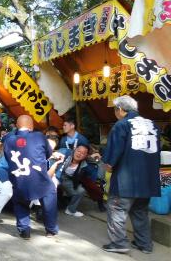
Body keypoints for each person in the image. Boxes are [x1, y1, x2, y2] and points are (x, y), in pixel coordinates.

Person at [101, 95, 161, 254]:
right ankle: (144, 244)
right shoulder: (153, 125)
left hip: (125, 181)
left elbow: (112, 156)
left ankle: (119, 243)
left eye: (115, 110)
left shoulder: (122, 125)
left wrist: (108, 165)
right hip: (147, 180)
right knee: (140, 211)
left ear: (120, 109)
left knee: (116, 210)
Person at [4, 115, 58, 239]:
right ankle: (51, 230)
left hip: (19, 180)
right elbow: (48, 154)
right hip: (39, 179)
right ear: (31, 126)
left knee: (20, 201)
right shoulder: (39, 136)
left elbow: (8, 158)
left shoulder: (9, 140)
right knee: (49, 193)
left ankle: (24, 230)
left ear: (17, 126)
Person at [56, 144, 105, 217]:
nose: (79, 154)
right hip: (54, 175)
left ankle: (70, 210)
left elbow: (99, 176)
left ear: (86, 156)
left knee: (81, 190)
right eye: (78, 151)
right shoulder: (65, 152)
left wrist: (99, 161)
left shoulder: (85, 164)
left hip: (67, 180)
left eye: (83, 153)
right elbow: (52, 157)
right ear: (75, 149)